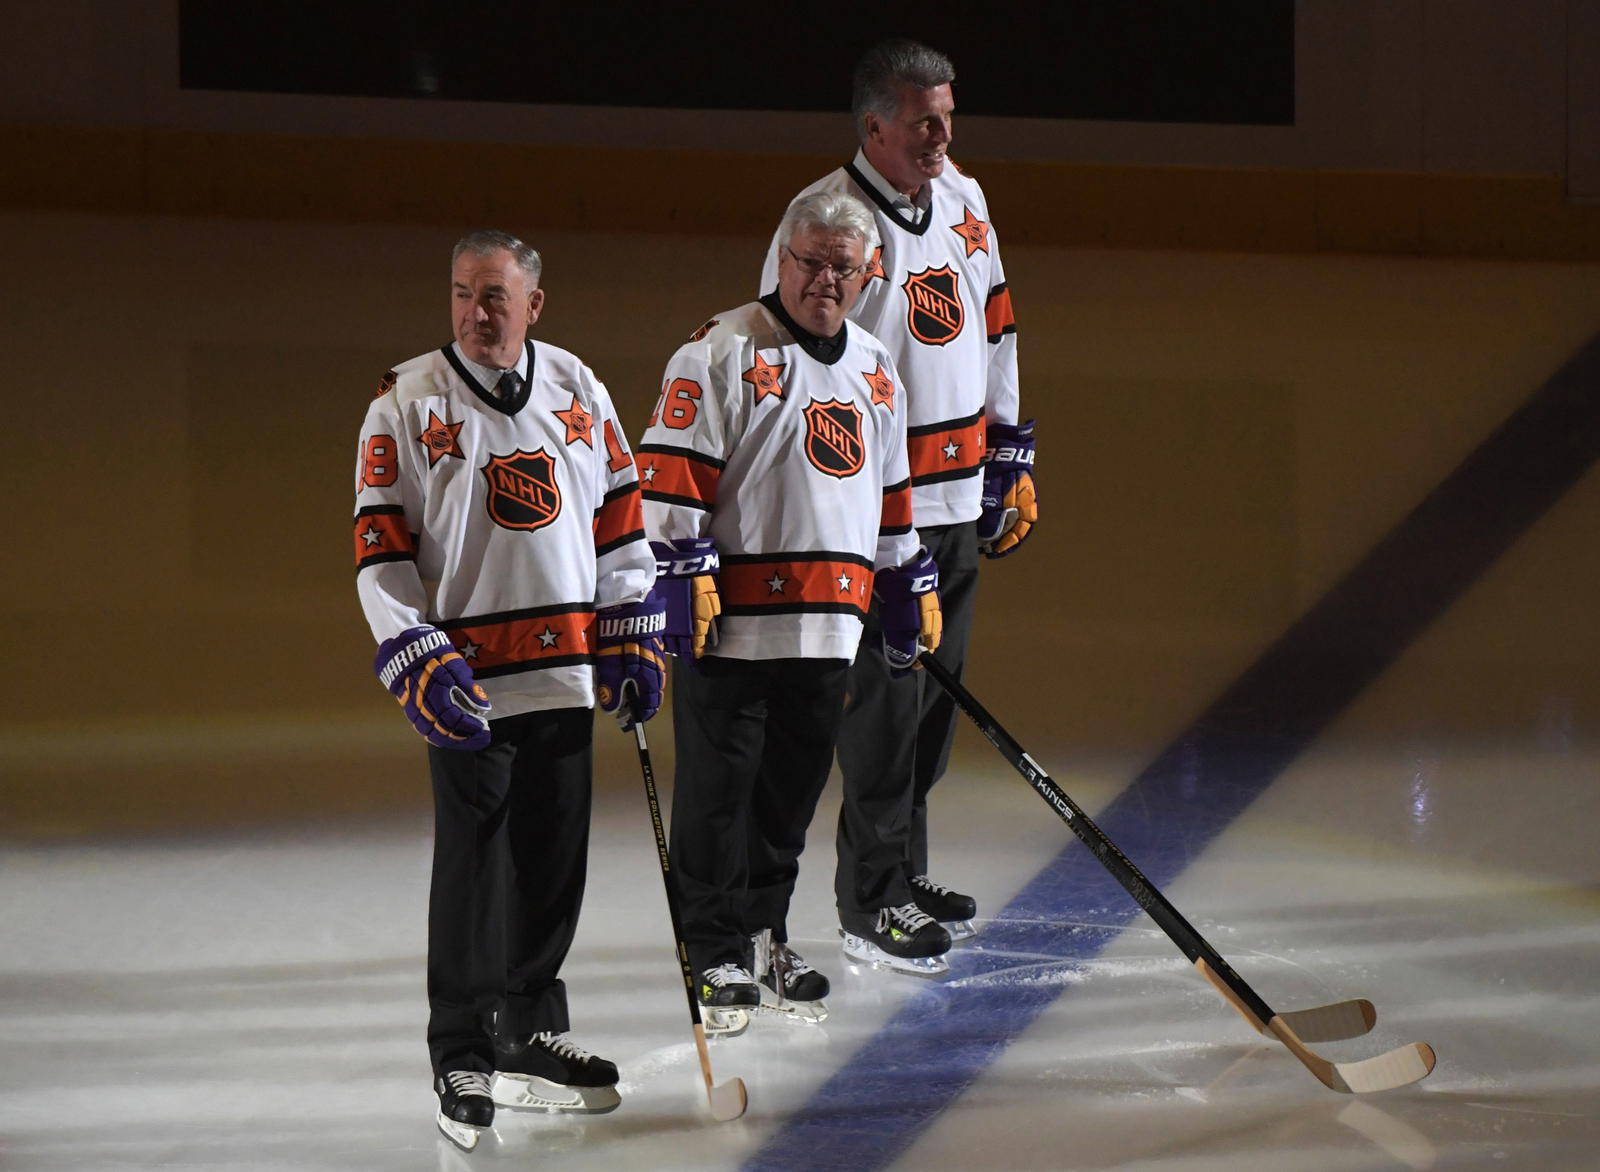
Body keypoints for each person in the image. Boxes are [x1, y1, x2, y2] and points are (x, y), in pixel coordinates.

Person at [352, 229, 664, 1150]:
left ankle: (526, 1030)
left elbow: (619, 511)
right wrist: (412, 648)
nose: (475, 312)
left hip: (565, 671)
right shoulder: (405, 401)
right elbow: (380, 548)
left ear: (535, 303)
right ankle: (460, 1047)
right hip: (470, 683)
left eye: (494, 296)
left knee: (551, 860)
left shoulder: (576, 383)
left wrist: (631, 619)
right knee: (474, 867)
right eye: (461, 293)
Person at [760, 39, 1037, 975]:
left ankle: (903, 871)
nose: (941, 136)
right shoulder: (824, 223)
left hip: (960, 497)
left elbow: (995, 320)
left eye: (948, 117)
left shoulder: (964, 196)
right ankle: (867, 900)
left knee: (931, 710)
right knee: (883, 709)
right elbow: (791, 380)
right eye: (923, 121)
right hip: (883, 521)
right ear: (874, 125)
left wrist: (1008, 446)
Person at [639, 191, 941, 1030]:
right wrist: (678, 571)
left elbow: (889, 496)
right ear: (781, 257)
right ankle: (712, 951)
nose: (825, 280)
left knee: (788, 800)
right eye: (810, 261)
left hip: (828, 628)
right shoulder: (721, 350)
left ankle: (765, 932)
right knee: (716, 798)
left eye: (843, 266)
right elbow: (669, 478)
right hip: (732, 626)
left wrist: (903, 577)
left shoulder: (877, 366)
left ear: (867, 272)